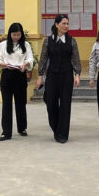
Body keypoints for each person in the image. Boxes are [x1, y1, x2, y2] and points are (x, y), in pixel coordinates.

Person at [37, 14, 81, 144]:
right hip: (52, 76)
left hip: (67, 76)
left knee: (65, 104)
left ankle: (63, 134)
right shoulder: (48, 41)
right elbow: (43, 59)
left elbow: (75, 58)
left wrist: (77, 75)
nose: (66, 26)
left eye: (67, 24)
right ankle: (56, 128)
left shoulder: (72, 41)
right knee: (50, 102)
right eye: (63, 23)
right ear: (57, 25)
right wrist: (40, 77)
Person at [0, 22, 34, 142]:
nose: (16, 37)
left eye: (18, 35)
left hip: (20, 75)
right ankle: (6, 132)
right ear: (10, 34)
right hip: (7, 75)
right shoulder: (3, 45)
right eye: (14, 35)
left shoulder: (26, 45)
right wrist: (5, 64)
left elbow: (30, 59)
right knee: (6, 104)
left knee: (21, 103)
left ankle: (22, 128)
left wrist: (25, 64)